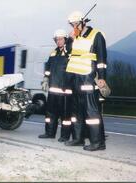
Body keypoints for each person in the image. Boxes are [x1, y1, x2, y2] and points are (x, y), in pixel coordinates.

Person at [65, 11, 107, 151]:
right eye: (72, 24)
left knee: (91, 112)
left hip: (88, 77)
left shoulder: (97, 35)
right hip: (75, 78)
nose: (74, 26)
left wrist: (101, 77)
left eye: (77, 23)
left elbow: (102, 59)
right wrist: (70, 39)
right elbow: (68, 53)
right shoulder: (74, 36)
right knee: (76, 112)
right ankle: (78, 139)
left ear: (84, 22)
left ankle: (98, 143)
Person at [38, 29, 73, 142]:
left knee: (65, 116)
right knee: (50, 114)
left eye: (60, 39)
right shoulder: (53, 53)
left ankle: (65, 136)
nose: (58, 41)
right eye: (56, 39)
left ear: (65, 39)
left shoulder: (70, 53)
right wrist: (45, 78)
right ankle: (49, 133)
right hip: (53, 90)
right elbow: (48, 69)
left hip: (65, 91)